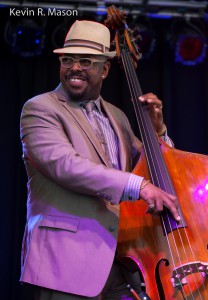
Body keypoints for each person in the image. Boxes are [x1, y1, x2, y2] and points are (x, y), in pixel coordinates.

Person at [20, 19, 180, 300]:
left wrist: (158, 131)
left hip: (120, 263)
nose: (75, 68)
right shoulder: (39, 109)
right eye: (67, 60)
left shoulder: (117, 116)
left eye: (86, 61)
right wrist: (140, 186)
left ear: (105, 69)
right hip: (64, 264)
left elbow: (151, 167)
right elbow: (65, 165)